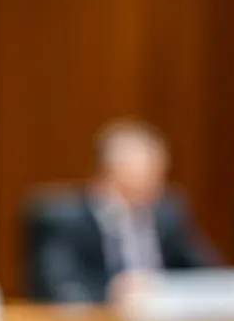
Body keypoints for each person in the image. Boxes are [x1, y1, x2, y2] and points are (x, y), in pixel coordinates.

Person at [35, 119, 218, 304]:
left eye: (158, 175)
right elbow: (60, 289)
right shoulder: (64, 221)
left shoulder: (166, 213)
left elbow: (208, 274)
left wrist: (163, 287)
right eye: (146, 175)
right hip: (102, 317)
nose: (156, 185)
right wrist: (111, 292)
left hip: (162, 315)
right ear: (109, 173)